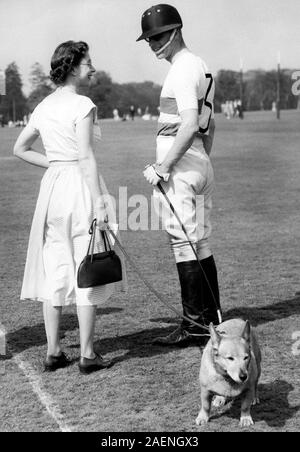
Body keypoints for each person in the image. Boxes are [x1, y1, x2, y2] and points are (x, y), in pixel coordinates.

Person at [13, 41, 125, 373]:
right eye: (88, 63)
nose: (92, 68)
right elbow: (87, 157)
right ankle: (87, 354)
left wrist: (55, 163)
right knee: (86, 265)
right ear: (74, 67)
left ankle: (53, 352)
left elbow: (21, 148)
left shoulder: (43, 105)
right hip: (78, 186)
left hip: (53, 190)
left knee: (57, 268)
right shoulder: (83, 104)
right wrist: (100, 203)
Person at [137, 4, 221, 347]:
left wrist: (165, 167)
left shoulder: (182, 69)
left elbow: (188, 124)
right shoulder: (199, 65)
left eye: (158, 35)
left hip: (182, 165)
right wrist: (200, 160)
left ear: (175, 30)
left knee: (182, 242)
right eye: (148, 39)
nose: (154, 44)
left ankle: (195, 325)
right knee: (199, 241)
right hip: (199, 160)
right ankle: (212, 318)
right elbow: (208, 125)